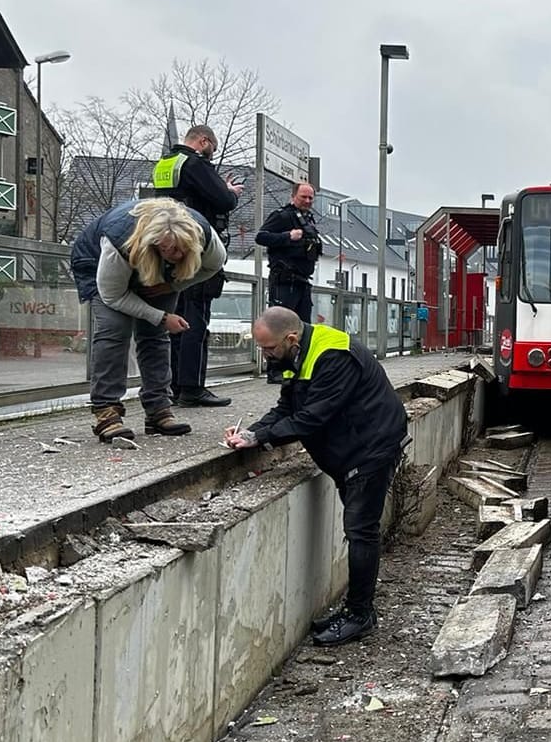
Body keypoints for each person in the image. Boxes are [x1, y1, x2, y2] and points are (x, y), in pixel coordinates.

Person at [225, 306, 408, 645]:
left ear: (291, 338)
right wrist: (251, 432)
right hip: (353, 446)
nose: (265, 358)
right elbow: (287, 407)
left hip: (371, 446)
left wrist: (261, 437)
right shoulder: (296, 356)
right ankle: (355, 610)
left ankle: (360, 615)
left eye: (268, 349)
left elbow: (311, 418)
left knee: (361, 531)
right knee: (359, 529)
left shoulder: (332, 356)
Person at [70, 197, 226, 442]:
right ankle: (106, 411)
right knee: (114, 330)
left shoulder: (206, 238)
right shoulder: (120, 241)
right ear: (156, 244)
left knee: (154, 337)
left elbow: (214, 266)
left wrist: (174, 284)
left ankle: (158, 409)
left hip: (154, 270)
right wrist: (161, 316)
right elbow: (114, 295)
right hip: (100, 264)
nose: (177, 256)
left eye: (183, 251)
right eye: (170, 250)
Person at [153, 124, 243, 408]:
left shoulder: (166, 164)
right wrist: (230, 191)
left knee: (176, 320)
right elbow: (224, 201)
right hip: (195, 249)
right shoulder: (196, 164)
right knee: (196, 320)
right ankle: (192, 388)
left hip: (169, 249)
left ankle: (175, 387)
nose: (211, 155)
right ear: (203, 141)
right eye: (212, 149)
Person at [256, 182, 322, 322]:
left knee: (303, 328)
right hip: (284, 283)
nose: (307, 201)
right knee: (281, 326)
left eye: (310, 198)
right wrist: (287, 236)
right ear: (293, 196)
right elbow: (261, 237)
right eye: (303, 197)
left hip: (302, 283)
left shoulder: (308, 220)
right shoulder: (282, 216)